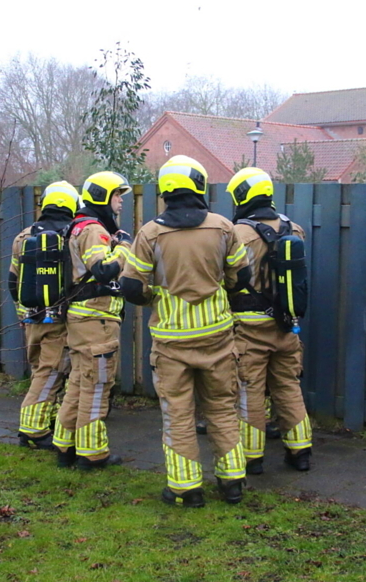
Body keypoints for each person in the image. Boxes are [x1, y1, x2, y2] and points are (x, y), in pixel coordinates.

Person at [119, 155, 251, 507]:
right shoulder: (224, 227)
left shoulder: (150, 233)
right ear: (199, 184)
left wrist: (154, 297)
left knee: (177, 412)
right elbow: (242, 278)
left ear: (165, 189)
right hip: (218, 338)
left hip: (171, 342)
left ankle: (185, 488)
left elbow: (131, 287)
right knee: (222, 408)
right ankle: (233, 482)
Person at [226, 168, 312, 473]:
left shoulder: (237, 234)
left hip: (249, 328)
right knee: (288, 386)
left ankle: (252, 458)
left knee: (249, 390)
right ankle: (300, 452)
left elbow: (229, 280)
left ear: (241, 196)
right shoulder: (295, 229)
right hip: (287, 326)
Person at [52, 171, 132, 470]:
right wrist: (124, 246)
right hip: (96, 318)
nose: (120, 201)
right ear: (102, 197)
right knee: (97, 385)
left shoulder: (78, 226)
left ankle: (65, 446)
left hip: (81, 318)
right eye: (116, 195)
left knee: (78, 383)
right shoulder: (94, 229)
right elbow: (102, 270)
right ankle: (92, 454)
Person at [9, 181, 80, 449]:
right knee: (51, 371)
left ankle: (46, 417)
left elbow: (12, 281)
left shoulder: (23, 236)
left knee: (40, 367)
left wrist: (24, 312)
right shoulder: (71, 235)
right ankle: (33, 431)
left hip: (31, 316)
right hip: (58, 317)